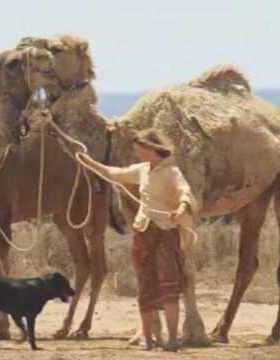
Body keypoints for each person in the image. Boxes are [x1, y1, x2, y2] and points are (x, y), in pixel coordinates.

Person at [79, 129, 196, 352]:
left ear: (152, 148)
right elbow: (115, 174)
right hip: (144, 233)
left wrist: (181, 208)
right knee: (145, 285)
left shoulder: (172, 171)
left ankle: (172, 339)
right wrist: (89, 162)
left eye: (139, 148)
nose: (136, 152)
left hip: (165, 232)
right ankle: (148, 338)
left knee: (170, 284)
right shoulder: (142, 170)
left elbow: (184, 192)